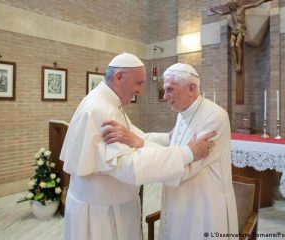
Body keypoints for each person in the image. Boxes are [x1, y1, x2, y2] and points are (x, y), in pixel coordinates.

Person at [59, 53, 216, 240]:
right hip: (102, 212)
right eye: (138, 83)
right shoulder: (101, 109)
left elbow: (134, 137)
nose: (140, 90)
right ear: (119, 77)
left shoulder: (108, 103)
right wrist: (188, 153)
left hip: (110, 204)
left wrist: (167, 138)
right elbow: (128, 166)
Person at [103, 63, 239, 240]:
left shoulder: (214, 117)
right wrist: (133, 136)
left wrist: (138, 142)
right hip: (178, 201)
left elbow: (185, 169)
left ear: (191, 88)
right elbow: (171, 141)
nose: (165, 97)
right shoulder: (183, 112)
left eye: (170, 90)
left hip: (202, 205)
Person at [210, 0, 267, 72]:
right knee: (232, 46)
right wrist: (214, 11)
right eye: (230, 6)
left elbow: (255, 4)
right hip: (234, 31)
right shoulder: (231, 12)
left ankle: (239, 64)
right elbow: (222, 13)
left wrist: (263, 1)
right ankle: (236, 64)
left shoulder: (242, 8)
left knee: (237, 45)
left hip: (241, 29)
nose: (230, 7)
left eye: (231, 6)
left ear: (235, 5)